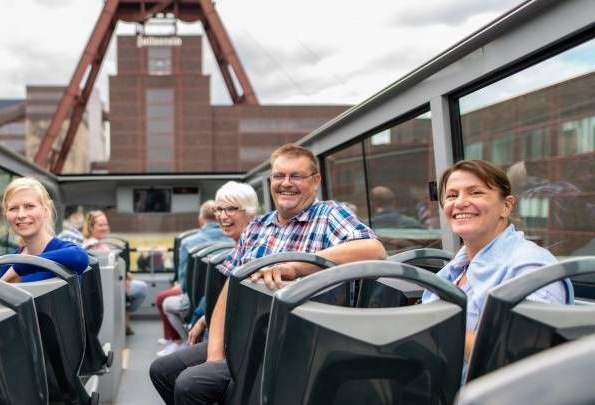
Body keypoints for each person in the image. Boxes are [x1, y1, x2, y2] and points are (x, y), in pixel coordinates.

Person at [150, 143, 386, 405]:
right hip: (249, 339)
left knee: (190, 384)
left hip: (301, 347)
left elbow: (373, 249)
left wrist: (297, 266)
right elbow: (231, 287)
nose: (286, 183)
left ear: (315, 181)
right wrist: (216, 352)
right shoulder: (259, 226)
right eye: (279, 176)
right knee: (162, 371)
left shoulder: (329, 214)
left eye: (296, 176)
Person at [422, 160, 573, 364]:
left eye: (476, 192)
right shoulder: (454, 271)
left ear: (506, 206)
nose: (460, 203)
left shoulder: (532, 269)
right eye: (452, 195)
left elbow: (522, 360)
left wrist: (433, 330)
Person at [156, 199, 229, 356]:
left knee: (167, 303)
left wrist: (180, 287)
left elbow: (184, 279)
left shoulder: (188, 242)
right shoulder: (235, 239)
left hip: (195, 300)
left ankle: (185, 342)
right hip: (225, 297)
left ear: (201, 219)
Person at [0, 177, 88, 283]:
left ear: (45, 210)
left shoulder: (63, 250)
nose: (21, 215)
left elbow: (79, 257)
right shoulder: (7, 263)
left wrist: (18, 269)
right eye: (13, 208)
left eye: (29, 206)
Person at [83, 210, 147, 335]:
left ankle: (124, 316)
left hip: (116, 282)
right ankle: (125, 316)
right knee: (142, 289)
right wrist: (122, 281)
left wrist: (125, 276)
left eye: (106, 224)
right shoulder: (90, 247)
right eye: (100, 225)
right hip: (108, 286)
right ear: (91, 227)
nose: (104, 228)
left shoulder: (104, 244)